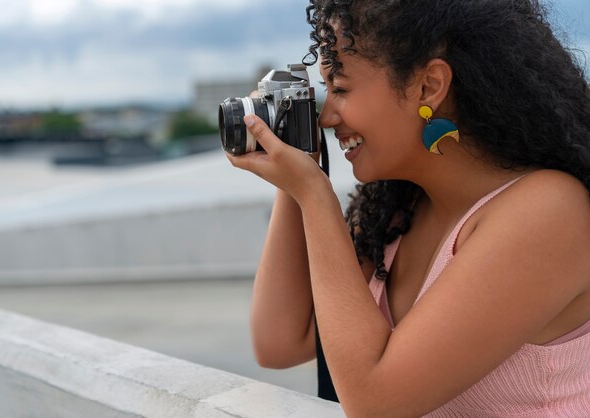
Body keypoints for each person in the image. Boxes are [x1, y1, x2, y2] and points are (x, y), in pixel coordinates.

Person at [227, 0, 590, 416]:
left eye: (341, 88)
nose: (327, 116)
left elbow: (374, 400)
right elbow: (279, 341)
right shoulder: (399, 212)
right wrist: (295, 169)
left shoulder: (547, 212)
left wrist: (314, 194)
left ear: (428, 86)